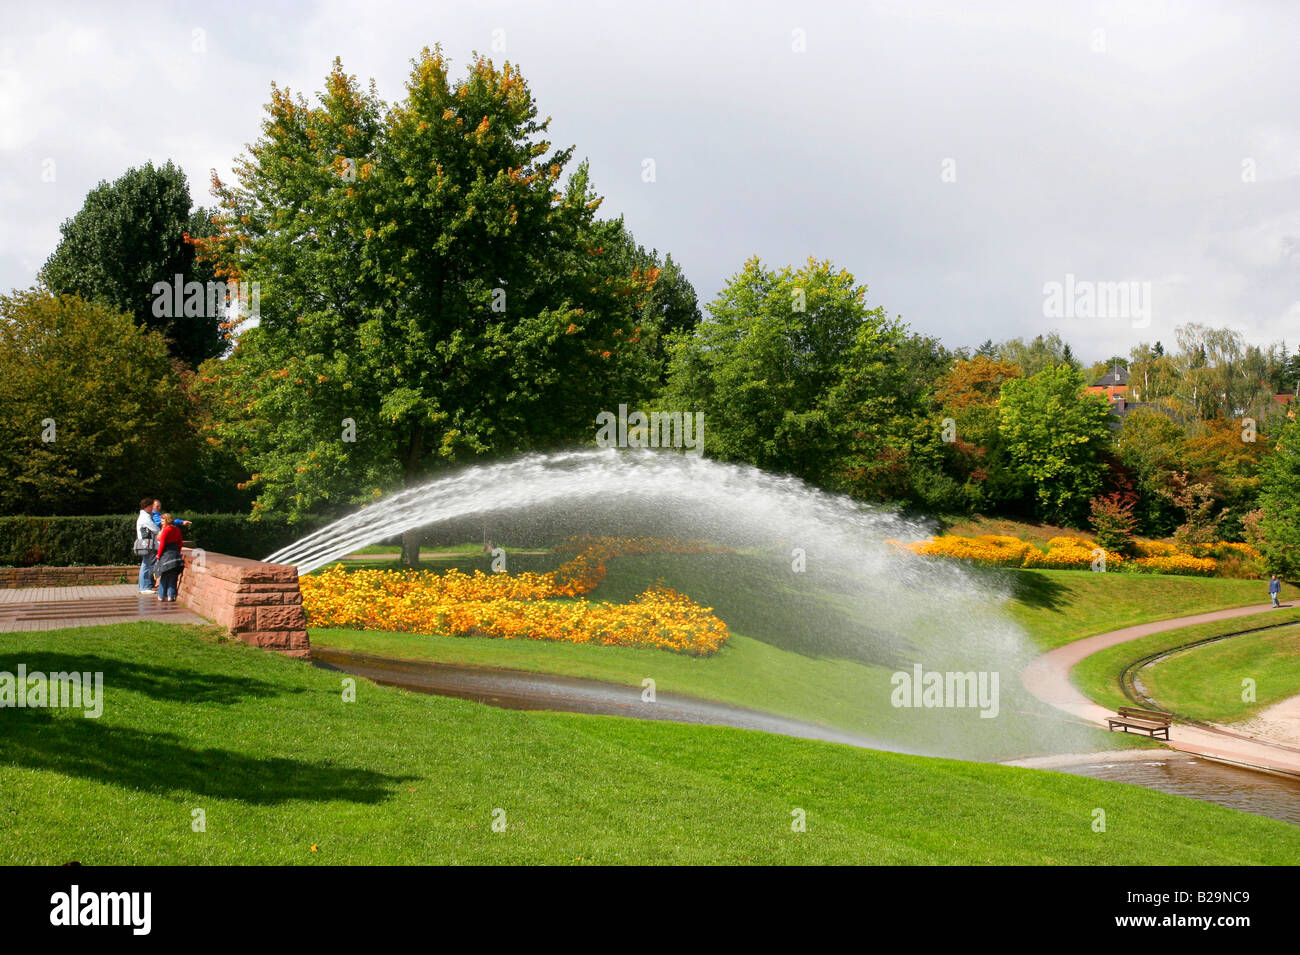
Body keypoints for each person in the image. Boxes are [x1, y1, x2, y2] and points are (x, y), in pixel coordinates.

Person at [154, 513, 186, 603]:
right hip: (175, 553)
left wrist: (158, 555)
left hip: (166, 554)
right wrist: (178, 552)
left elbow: (162, 544)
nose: (161, 522)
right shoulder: (177, 529)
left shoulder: (166, 530)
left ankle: (161, 595)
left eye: (163, 521)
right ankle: (171, 596)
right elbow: (180, 543)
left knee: (164, 575)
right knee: (173, 576)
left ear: (167, 520)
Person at [135, 496, 159, 594]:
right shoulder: (145, 517)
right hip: (147, 544)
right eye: (151, 506)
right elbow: (155, 529)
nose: (152, 508)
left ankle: (145, 586)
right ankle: (144, 587)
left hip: (147, 544)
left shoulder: (146, 516)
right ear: (147, 506)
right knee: (146, 564)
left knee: (147, 564)